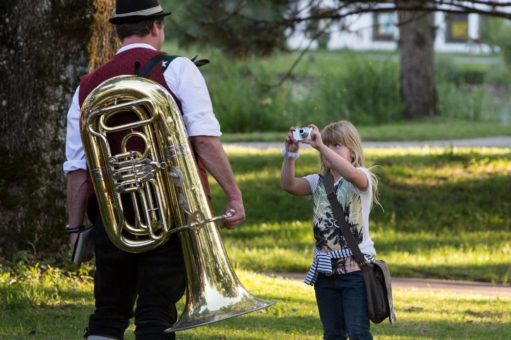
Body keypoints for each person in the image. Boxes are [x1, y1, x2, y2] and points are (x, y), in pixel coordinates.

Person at [64, 0, 245, 339]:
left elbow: (77, 169)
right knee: (157, 310)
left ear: (118, 31)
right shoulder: (179, 70)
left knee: (109, 310)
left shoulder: (86, 86)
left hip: (111, 213)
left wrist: (74, 229)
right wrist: (233, 195)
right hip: (171, 211)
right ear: (156, 27)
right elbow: (204, 141)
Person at [280, 121, 379, 340]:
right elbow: (289, 185)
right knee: (332, 334)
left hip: (355, 274)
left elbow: (353, 176)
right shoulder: (318, 182)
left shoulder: (361, 178)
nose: (328, 149)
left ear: (352, 154)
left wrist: (321, 146)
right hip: (325, 273)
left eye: (336, 146)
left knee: (358, 333)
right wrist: (290, 155)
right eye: (328, 144)